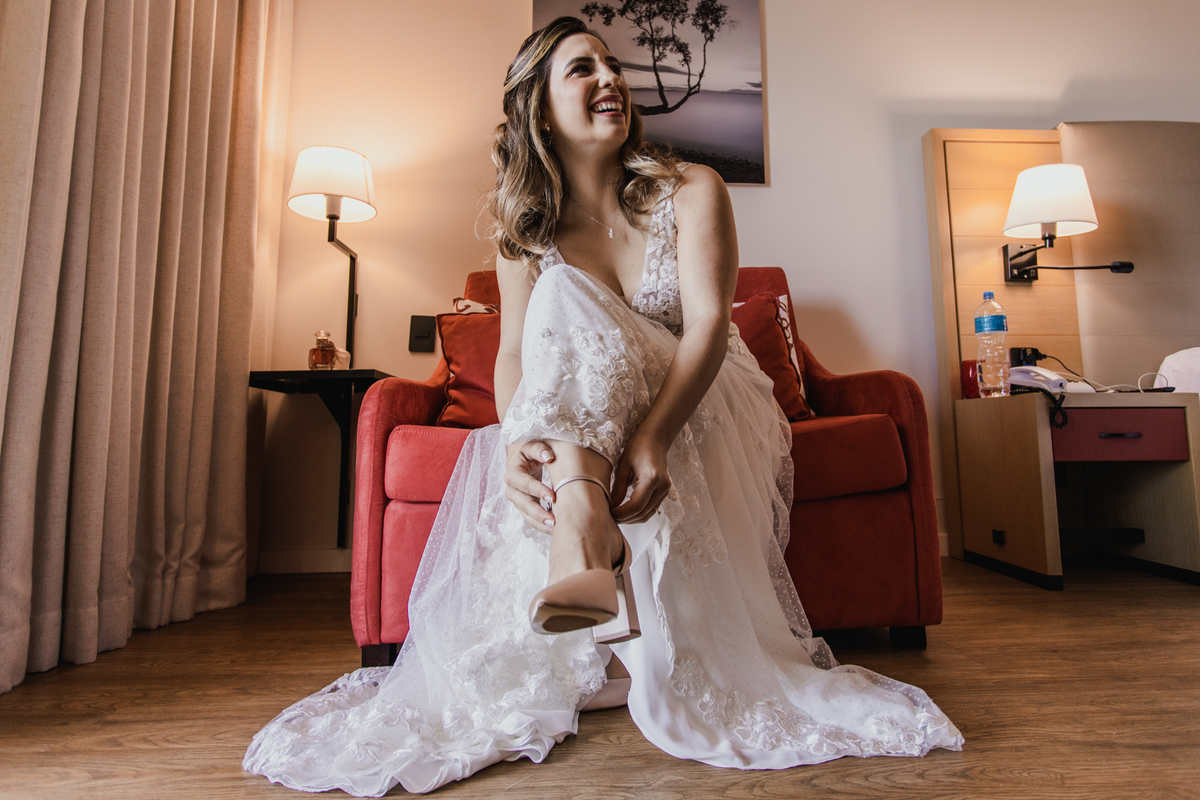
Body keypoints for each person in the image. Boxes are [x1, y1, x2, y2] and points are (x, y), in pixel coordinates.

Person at [243, 17, 963, 796]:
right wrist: (517, 442)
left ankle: (580, 542)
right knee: (557, 299)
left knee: (564, 297)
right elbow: (515, 357)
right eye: (581, 69)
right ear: (541, 111)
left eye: (610, 65)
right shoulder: (527, 233)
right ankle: (586, 528)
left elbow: (709, 326)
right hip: (592, 407)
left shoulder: (693, 190)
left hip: (702, 394)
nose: (609, 78)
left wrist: (652, 438)